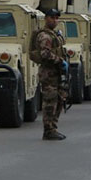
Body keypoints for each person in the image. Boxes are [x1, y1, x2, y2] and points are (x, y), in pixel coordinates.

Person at [35, 8, 68, 140]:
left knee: (59, 99)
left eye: (56, 18)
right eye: (52, 18)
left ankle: (53, 127)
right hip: (48, 73)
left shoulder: (54, 34)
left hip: (56, 72)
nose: (55, 20)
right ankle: (48, 130)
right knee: (50, 102)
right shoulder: (45, 36)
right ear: (46, 18)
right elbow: (45, 54)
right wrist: (60, 61)